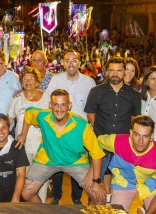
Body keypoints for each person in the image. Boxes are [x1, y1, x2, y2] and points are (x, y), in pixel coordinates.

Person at [19, 89, 106, 206]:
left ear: (69, 106)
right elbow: (29, 113)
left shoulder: (81, 125)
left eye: (63, 104)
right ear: (50, 105)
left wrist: (96, 180)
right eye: (56, 104)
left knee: (99, 197)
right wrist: (23, 134)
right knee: (26, 193)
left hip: (76, 161)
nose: (59, 109)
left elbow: (97, 153)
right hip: (47, 159)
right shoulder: (43, 117)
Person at [85, 56, 141, 203]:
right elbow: (90, 114)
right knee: (95, 184)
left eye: (119, 70)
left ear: (124, 72)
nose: (115, 74)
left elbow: (135, 119)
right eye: (112, 70)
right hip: (100, 145)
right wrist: (103, 129)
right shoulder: (96, 91)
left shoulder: (134, 95)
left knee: (122, 185)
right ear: (107, 71)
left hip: (123, 146)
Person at [45, 49, 96, 205]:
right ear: (63, 63)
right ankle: (56, 196)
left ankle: (76, 199)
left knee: (78, 165)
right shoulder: (56, 80)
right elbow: (46, 101)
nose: (71, 63)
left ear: (79, 63)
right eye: (68, 60)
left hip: (80, 133)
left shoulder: (89, 83)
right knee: (57, 166)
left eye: (74, 60)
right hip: (59, 130)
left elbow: (93, 108)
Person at [98, 115, 156, 213]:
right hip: (123, 182)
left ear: (151, 137)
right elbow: (95, 141)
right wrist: (92, 172)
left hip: (149, 185)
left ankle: (145, 210)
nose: (140, 141)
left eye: (145, 136)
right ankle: (144, 208)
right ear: (131, 133)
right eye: (137, 135)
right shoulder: (117, 141)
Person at [6, 66, 50, 203]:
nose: (28, 81)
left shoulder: (47, 98)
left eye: (31, 78)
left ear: (38, 81)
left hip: (43, 148)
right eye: (25, 79)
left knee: (40, 183)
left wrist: (44, 123)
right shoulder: (17, 98)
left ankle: (41, 211)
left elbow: (55, 120)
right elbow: (9, 120)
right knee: (23, 183)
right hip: (22, 148)